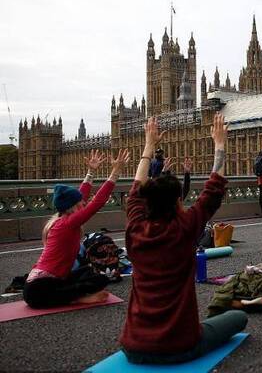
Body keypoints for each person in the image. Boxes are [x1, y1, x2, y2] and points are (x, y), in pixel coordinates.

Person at [120, 115, 247, 365]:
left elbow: (135, 190)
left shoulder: (135, 229)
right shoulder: (185, 228)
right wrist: (220, 144)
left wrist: (148, 145)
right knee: (237, 318)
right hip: (179, 346)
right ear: (178, 201)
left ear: (147, 203)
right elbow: (213, 190)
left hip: (133, 346)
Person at [23, 149, 130, 308]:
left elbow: (81, 195)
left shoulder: (66, 216)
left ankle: (73, 294)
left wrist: (91, 172)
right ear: (72, 206)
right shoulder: (66, 223)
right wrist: (115, 172)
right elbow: (97, 203)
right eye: (80, 202)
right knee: (40, 294)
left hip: (58, 279)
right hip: (37, 286)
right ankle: (77, 298)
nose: (83, 203)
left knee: (100, 276)